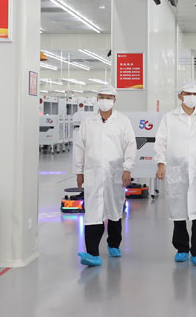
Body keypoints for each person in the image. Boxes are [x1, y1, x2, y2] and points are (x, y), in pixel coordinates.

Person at [155, 80, 196, 267]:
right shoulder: (169, 118)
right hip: (178, 170)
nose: (192, 97)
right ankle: (182, 248)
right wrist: (161, 164)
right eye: (188, 94)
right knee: (179, 210)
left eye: (194, 94)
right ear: (180, 96)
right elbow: (161, 142)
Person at [74, 85, 137, 267]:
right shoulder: (88, 122)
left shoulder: (122, 121)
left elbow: (130, 145)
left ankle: (114, 243)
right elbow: (79, 147)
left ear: (114, 100)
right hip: (92, 173)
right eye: (102, 97)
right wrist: (79, 171)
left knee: (114, 209)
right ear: (97, 98)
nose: (105, 100)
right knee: (93, 211)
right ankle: (92, 253)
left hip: (114, 173)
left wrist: (127, 168)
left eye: (109, 97)